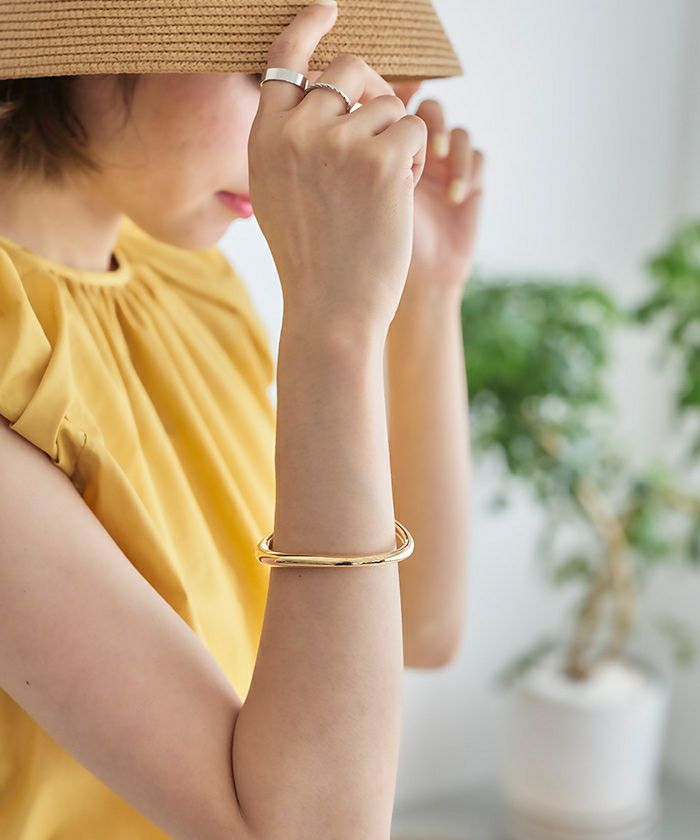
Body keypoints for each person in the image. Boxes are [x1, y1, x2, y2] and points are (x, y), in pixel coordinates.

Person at [0, 0, 484, 836]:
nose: (313, 116)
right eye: (265, 70)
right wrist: (334, 322)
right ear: (80, 47)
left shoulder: (186, 283)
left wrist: (426, 292)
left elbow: (423, 627)